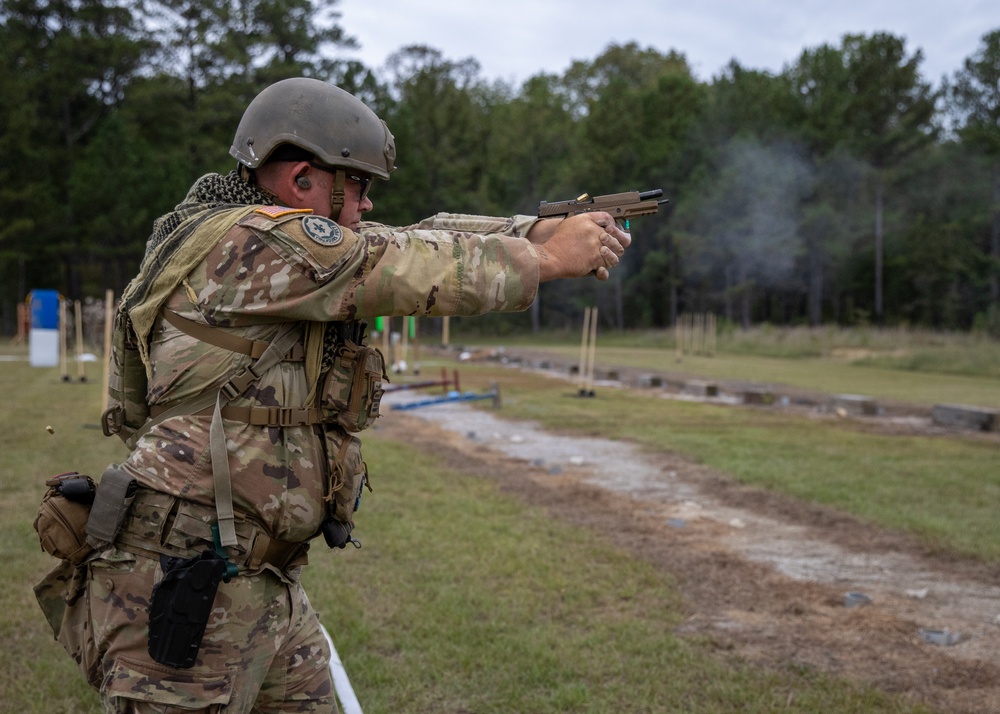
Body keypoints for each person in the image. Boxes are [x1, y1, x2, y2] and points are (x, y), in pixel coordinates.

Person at [35, 77, 630, 713]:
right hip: (183, 582)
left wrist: (531, 228)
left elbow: (412, 237)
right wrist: (544, 259)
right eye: (360, 186)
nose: (368, 205)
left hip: (257, 578)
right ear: (301, 181)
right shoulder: (250, 242)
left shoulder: (257, 238)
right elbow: (395, 262)